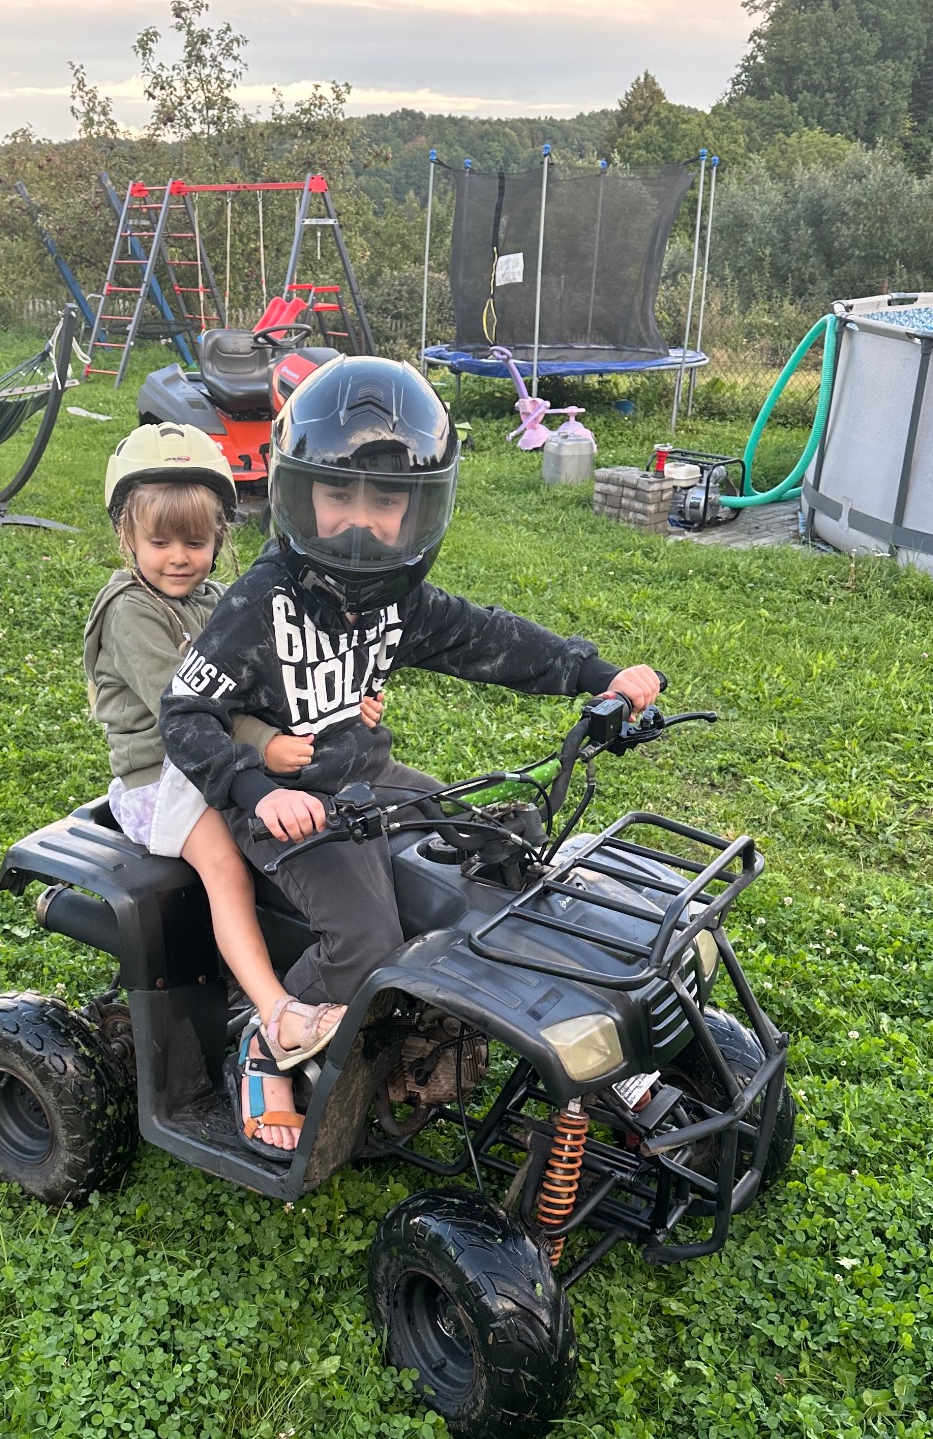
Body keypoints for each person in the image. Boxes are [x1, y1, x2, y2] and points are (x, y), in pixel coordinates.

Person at [159, 357, 662, 1140]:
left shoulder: (398, 599)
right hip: (291, 808)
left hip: (373, 778)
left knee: (492, 850)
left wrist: (592, 673)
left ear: (422, 507)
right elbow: (186, 711)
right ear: (298, 492)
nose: (361, 520)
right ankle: (266, 1040)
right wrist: (255, 790)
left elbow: (487, 639)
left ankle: (485, 1030)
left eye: (387, 499)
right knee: (365, 940)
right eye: (338, 494)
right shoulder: (260, 603)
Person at [84, 422, 385, 1155]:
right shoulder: (130, 611)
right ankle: (276, 1013)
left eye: (195, 541)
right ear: (127, 537)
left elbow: (269, 678)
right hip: (161, 778)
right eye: (161, 542)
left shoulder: (221, 598)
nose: (179, 558)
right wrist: (265, 745)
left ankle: (324, 967)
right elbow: (183, 704)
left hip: (218, 766)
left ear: (219, 536)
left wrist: (343, 704)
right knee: (225, 868)